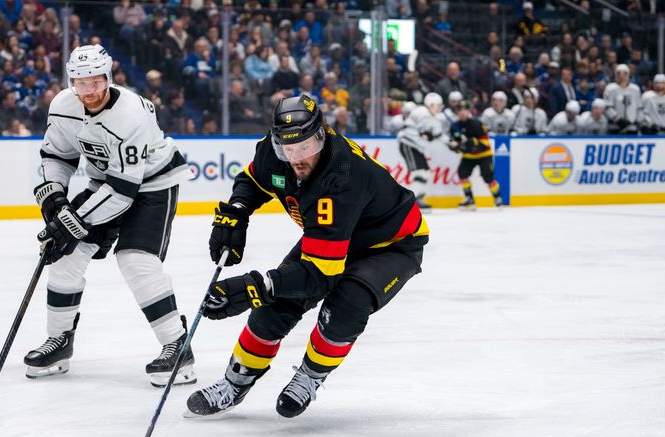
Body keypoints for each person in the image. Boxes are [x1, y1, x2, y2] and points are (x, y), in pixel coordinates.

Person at [185, 95, 428, 418]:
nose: (297, 159)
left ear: (323, 134)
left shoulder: (341, 177)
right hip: (333, 237)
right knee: (276, 305)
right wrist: (238, 212)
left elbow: (320, 273)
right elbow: (253, 180)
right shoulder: (275, 155)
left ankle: (311, 375)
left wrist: (255, 285)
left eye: (307, 147)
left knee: (346, 305)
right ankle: (235, 381)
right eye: (289, 149)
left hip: (390, 244)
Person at [25, 45, 196, 387]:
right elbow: (56, 155)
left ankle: (178, 347)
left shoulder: (131, 114)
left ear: (108, 77)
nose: (88, 91)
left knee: (135, 259)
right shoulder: (63, 105)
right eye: (80, 82)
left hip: (152, 184)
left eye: (95, 81)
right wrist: (54, 200)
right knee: (64, 256)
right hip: (107, 182)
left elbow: (124, 191)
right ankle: (59, 342)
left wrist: (69, 224)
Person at [447, 101, 502, 210]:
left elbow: (485, 143)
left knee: (488, 177)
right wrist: (456, 147)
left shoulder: (476, 124)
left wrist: (473, 144)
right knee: (462, 174)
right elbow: (456, 145)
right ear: (457, 112)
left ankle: (497, 197)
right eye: (460, 110)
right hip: (469, 156)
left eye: (465, 110)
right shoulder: (455, 126)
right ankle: (469, 198)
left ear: (468, 111)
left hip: (484, 155)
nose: (462, 113)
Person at [397, 92, 445, 210]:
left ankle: (417, 198)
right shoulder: (423, 112)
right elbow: (428, 133)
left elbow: (432, 134)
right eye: (437, 105)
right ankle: (409, 202)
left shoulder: (429, 115)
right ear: (431, 104)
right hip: (408, 143)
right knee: (419, 173)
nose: (439, 108)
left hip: (415, 145)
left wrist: (451, 143)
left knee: (425, 172)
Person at [603, 64, 641, 134]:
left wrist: (637, 120)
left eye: (624, 73)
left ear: (628, 74)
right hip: (615, 126)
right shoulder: (610, 88)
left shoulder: (635, 89)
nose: (622, 76)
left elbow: (639, 107)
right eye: (619, 73)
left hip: (632, 126)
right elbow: (607, 106)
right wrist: (617, 119)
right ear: (615, 75)